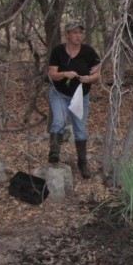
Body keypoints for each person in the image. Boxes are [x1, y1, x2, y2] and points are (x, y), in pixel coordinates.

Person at [47, 19, 101, 179]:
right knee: (58, 121)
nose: (78, 36)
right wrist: (64, 74)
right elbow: (52, 74)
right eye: (74, 32)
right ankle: (54, 155)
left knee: (80, 129)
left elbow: (97, 74)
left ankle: (82, 163)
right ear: (67, 35)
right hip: (59, 94)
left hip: (80, 96)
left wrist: (89, 79)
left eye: (80, 32)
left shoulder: (89, 52)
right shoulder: (58, 51)